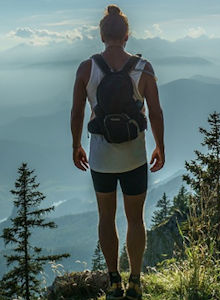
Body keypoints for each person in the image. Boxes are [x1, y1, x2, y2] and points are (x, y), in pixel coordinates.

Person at [70, 4, 165, 300]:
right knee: (136, 219)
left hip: (101, 157)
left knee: (106, 217)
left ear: (102, 35)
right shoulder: (143, 68)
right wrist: (160, 146)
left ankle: (114, 282)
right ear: (126, 35)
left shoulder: (87, 68)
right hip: (135, 156)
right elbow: (156, 112)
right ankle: (135, 281)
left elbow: (77, 111)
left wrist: (76, 145)